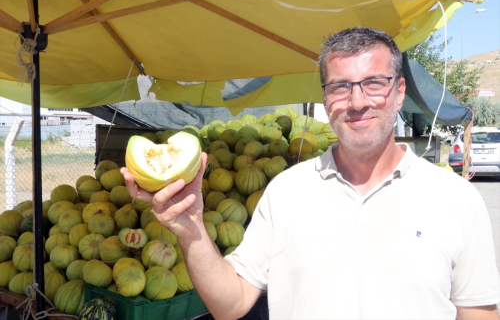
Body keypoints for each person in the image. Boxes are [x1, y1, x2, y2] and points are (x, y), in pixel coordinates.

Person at [122, 27, 500, 319]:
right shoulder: (285, 191)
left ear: (399, 92)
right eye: (340, 87)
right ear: (324, 98)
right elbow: (231, 305)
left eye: (373, 83)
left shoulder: (456, 199)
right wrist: (191, 228)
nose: (357, 102)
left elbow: (477, 312)